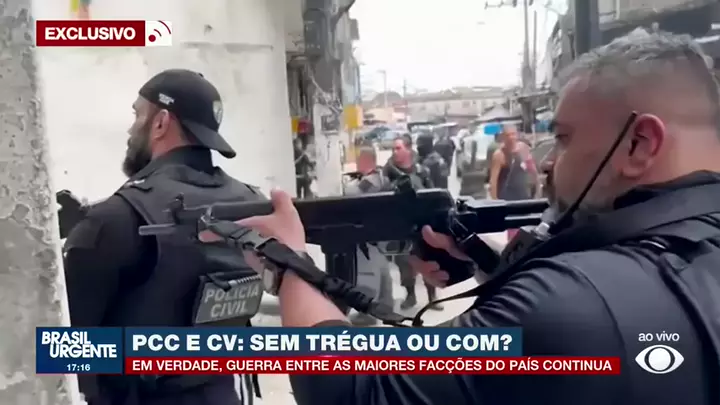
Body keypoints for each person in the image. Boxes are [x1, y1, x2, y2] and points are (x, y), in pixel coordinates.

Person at [200, 30, 720, 405]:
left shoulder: (570, 298)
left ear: (640, 143)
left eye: (563, 138)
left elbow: (354, 389)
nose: (547, 162)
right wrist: (490, 267)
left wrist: (288, 261)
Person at [63, 69, 263, 405]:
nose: (131, 129)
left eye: (137, 115)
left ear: (161, 122)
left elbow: (66, 352)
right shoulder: (253, 204)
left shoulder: (119, 217)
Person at [383, 136, 441, 310]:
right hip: (401, 224)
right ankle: (410, 295)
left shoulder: (422, 170)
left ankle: (432, 296)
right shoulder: (388, 173)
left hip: (423, 223)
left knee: (428, 257)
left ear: (408, 149)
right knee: (404, 261)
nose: (394, 152)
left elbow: (433, 194)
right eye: (393, 148)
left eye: (398, 148)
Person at [343, 146, 394, 325]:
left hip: (368, 234)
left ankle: (369, 312)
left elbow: (351, 193)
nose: (357, 164)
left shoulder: (370, 181)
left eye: (359, 160)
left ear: (366, 160)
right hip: (379, 234)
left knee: (367, 272)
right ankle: (385, 305)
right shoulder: (382, 178)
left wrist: (349, 183)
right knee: (381, 269)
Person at [489, 124, 541, 239]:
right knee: (513, 229)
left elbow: (532, 169)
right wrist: (495, 202)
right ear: (503, 137)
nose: (511, 137)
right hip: (509, 197)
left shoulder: (523, 148)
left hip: (524, 195)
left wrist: (537, 187)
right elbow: (493, 180)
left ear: (517, 135)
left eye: (513, 134)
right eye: (508, 135)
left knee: (527, 226)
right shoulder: (499, 155)